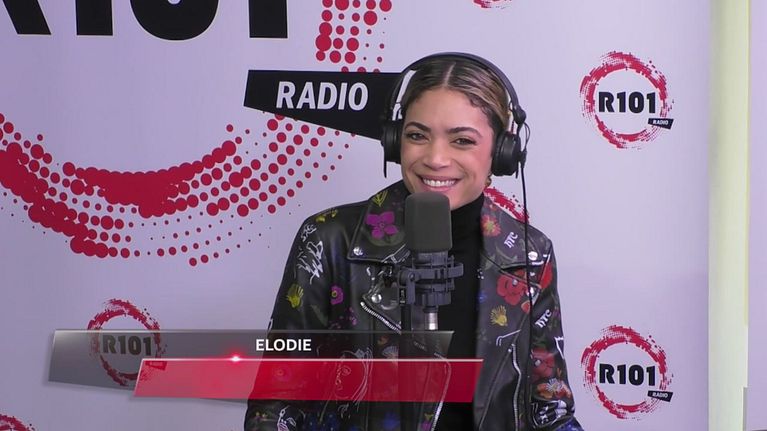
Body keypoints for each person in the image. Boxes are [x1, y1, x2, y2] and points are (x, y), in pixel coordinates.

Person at [245, 53, 583, 430]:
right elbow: (275, 404)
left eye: (462, 140)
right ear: (395, 141)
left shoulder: (529, 253)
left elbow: (550, 408)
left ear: (501, 152)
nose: (435, 159)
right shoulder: (330, 240)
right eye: (417, 136)